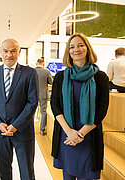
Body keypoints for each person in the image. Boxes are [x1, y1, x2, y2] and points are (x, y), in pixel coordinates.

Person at [51, 33, 109, 180]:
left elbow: (102, 110)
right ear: (68, 52)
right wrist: (70, 132)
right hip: (66, 135)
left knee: (89, 175)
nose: (76, 49)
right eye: (72, 47)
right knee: (68, 176)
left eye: (80, 45)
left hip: (89, 136)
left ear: (88, 49)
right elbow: (55, 106)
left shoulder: (100, 77)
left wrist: (80, 134)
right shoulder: (60, 77)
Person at [0, 39, 39, 180]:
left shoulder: (29, 73)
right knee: (4, 170)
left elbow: (32, 102)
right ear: (0, 52)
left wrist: (16, 125)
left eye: (13, 51)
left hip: (23, 130)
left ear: (19, 52)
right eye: (6, 51)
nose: (9, 54)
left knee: (26, 171)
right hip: (1, 130)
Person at [35, 58, 53, 135]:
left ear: (36, 63)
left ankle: (30, 129)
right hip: (43, 94)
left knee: (31, 112)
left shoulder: (32, 71)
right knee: (43, 112)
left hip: (33, 94)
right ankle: (42, 130)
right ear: (43, 64)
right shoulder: (46, 71)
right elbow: (51, 82)